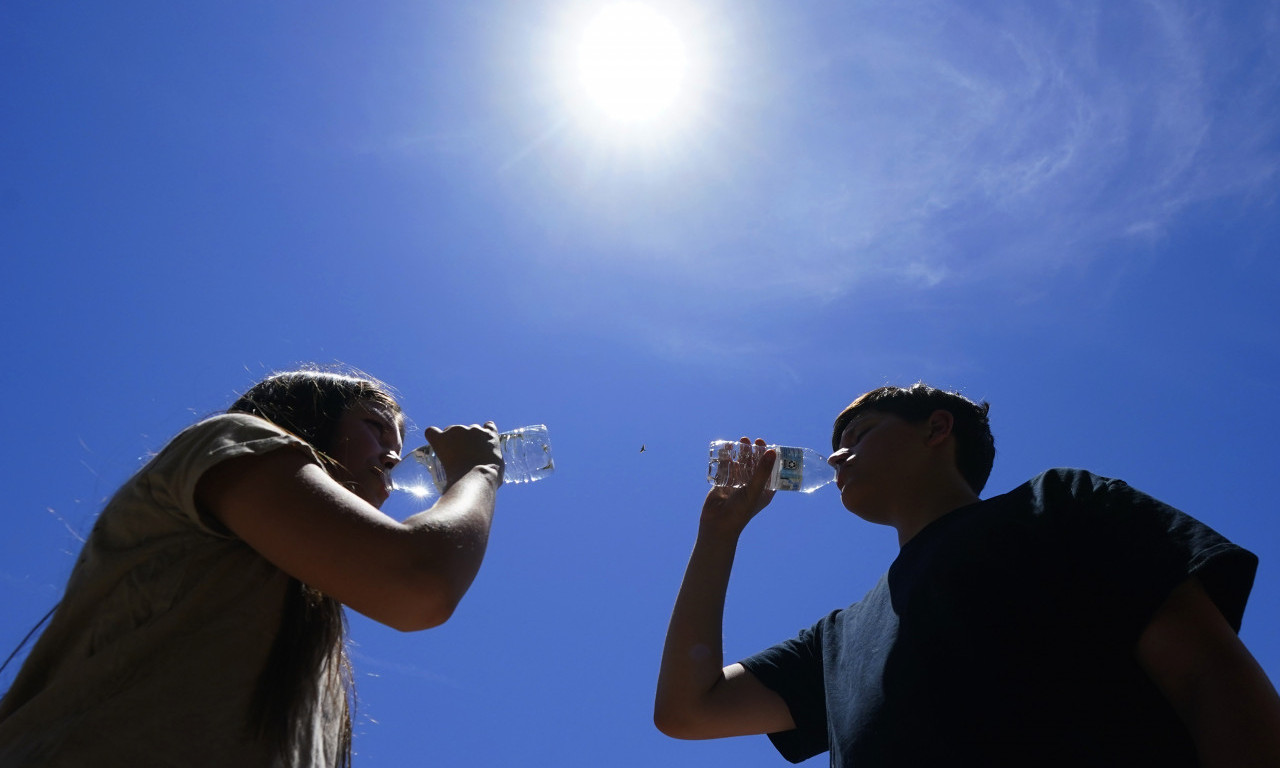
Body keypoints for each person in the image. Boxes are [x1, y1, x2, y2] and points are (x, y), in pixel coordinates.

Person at [655, 383, 1280, 767]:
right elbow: (688, 710)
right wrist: (719, 534)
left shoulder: (1058, 505)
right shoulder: (839, 640)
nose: (837, 455)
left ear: (936, 428)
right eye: (835, 443)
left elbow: (1209, 676)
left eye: (860, 433)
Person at [0, 368, 505, 767]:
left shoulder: (307, 610)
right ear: (307, 418)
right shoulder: (231, 440)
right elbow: (419, 582)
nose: (393, 455)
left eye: (395, 445)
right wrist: (477, 472)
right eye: (374, 427)